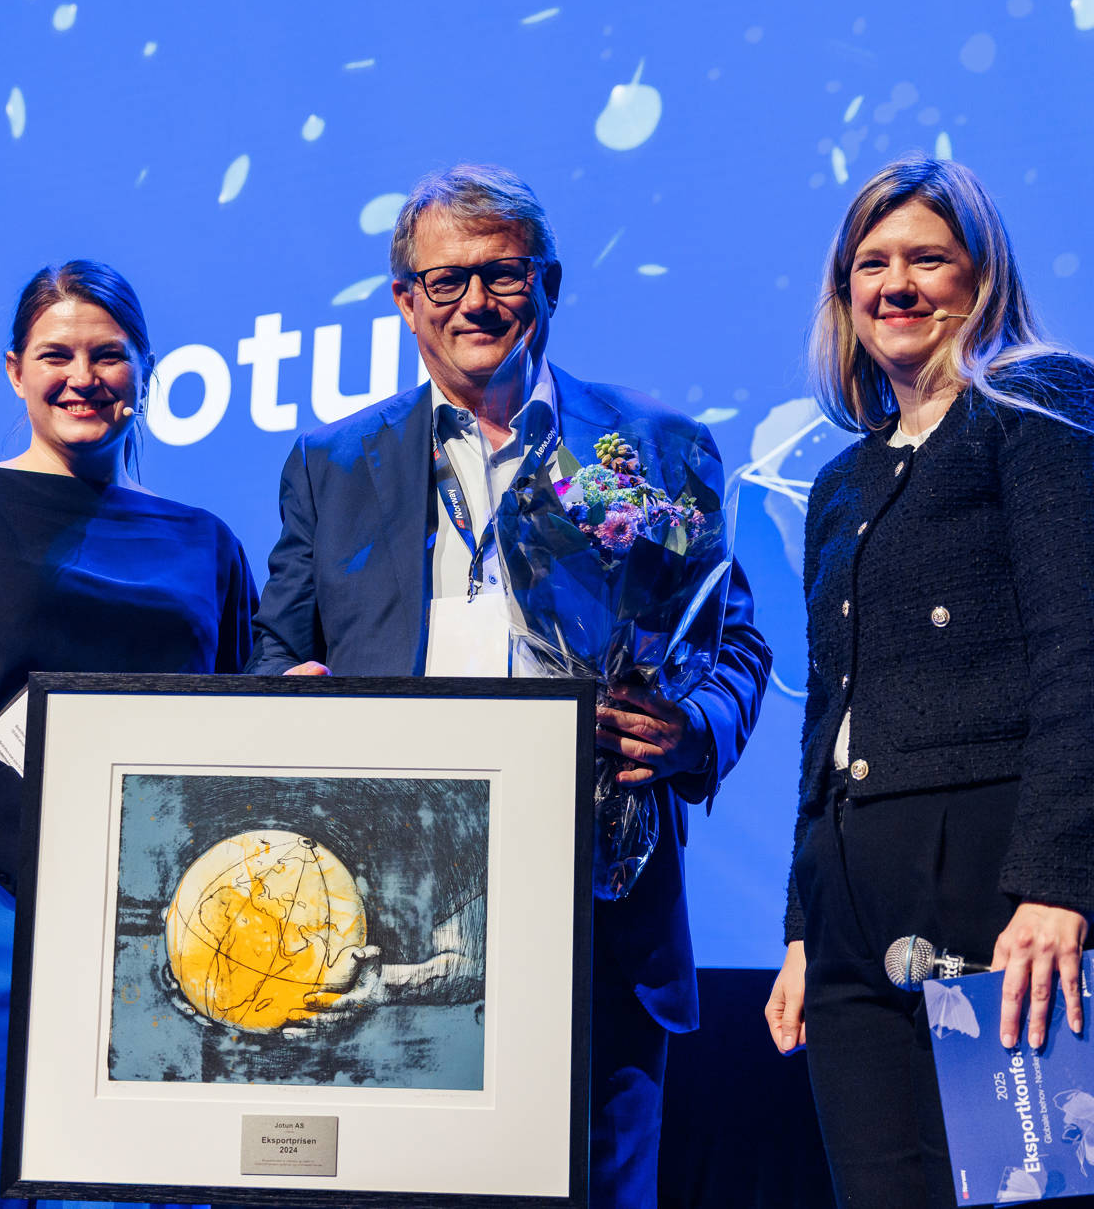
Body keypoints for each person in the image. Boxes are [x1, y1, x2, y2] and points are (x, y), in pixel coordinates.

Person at [248, 163, 771, 1208]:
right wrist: (289, 701)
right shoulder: (331, 464)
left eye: (502, 274)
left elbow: (734, 644)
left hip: (596, 903)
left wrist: (689, 731)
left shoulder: (655, 446)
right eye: (445, 281)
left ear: (550, 286)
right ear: (405, 302)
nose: (475, 303)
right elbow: (277, 652)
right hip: (386, 914)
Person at [763, 156, 1094, 1208]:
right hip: (855, 904)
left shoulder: (1043, 405)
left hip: (1010, 880)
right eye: (872, 263)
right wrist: (805, 927)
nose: (896, 285)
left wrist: (1061, 886)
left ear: (982, 278)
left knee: (1039, 1197)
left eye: (928, 260)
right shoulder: (843, 479)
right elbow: (830, 716)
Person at [0, 261, 252, 1208]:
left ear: (145, 370)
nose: (82, 377)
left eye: (107, 355)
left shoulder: (206, 543)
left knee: (129, 1180)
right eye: (55, 355)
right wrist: (55, 851)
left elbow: (237, 719)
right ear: (14, 370)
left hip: (151, 909)